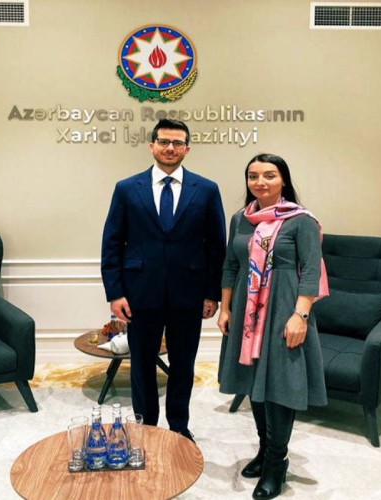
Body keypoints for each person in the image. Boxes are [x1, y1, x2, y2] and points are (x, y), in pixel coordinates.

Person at [101, 118, 226, 442]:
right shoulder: (127, 188)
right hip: (140, 293)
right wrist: (115, 293)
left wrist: (212, 293)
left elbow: (216, 246)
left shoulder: (206, 189)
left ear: (187, 148)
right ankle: (146, 427)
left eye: (177, 143)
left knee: (183, 364)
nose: (170, 148)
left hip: (190, 293)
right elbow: (112, 242)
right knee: (142, 364)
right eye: (164, 142)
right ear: (152, 145)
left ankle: (179, 426)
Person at [217, 153, 328, 499]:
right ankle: (265, 450)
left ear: (283, 180)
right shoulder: (240, 219)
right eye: (253, 176)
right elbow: (231, 265)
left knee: (279, 386)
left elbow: (311, 270)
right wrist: (225, 308)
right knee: (254, 382)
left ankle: (276, 463)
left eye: (269, 175)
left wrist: (301, 316)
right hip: (246, 314)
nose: (260, 182)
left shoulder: (301, 221)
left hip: (284, 310)